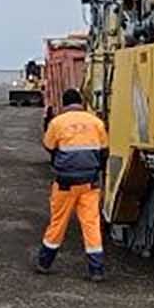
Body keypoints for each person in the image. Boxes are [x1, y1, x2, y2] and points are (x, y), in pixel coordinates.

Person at [36, 87, 109, 281]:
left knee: (58, 223)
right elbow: (104, 151)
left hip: (65, 183)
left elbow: (49, 146)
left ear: (65, 104)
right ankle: (97, 270)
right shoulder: (96, 123)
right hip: (90, 183)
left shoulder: (57, 123)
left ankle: (44, 262)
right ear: (81, 102)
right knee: (91, 224)